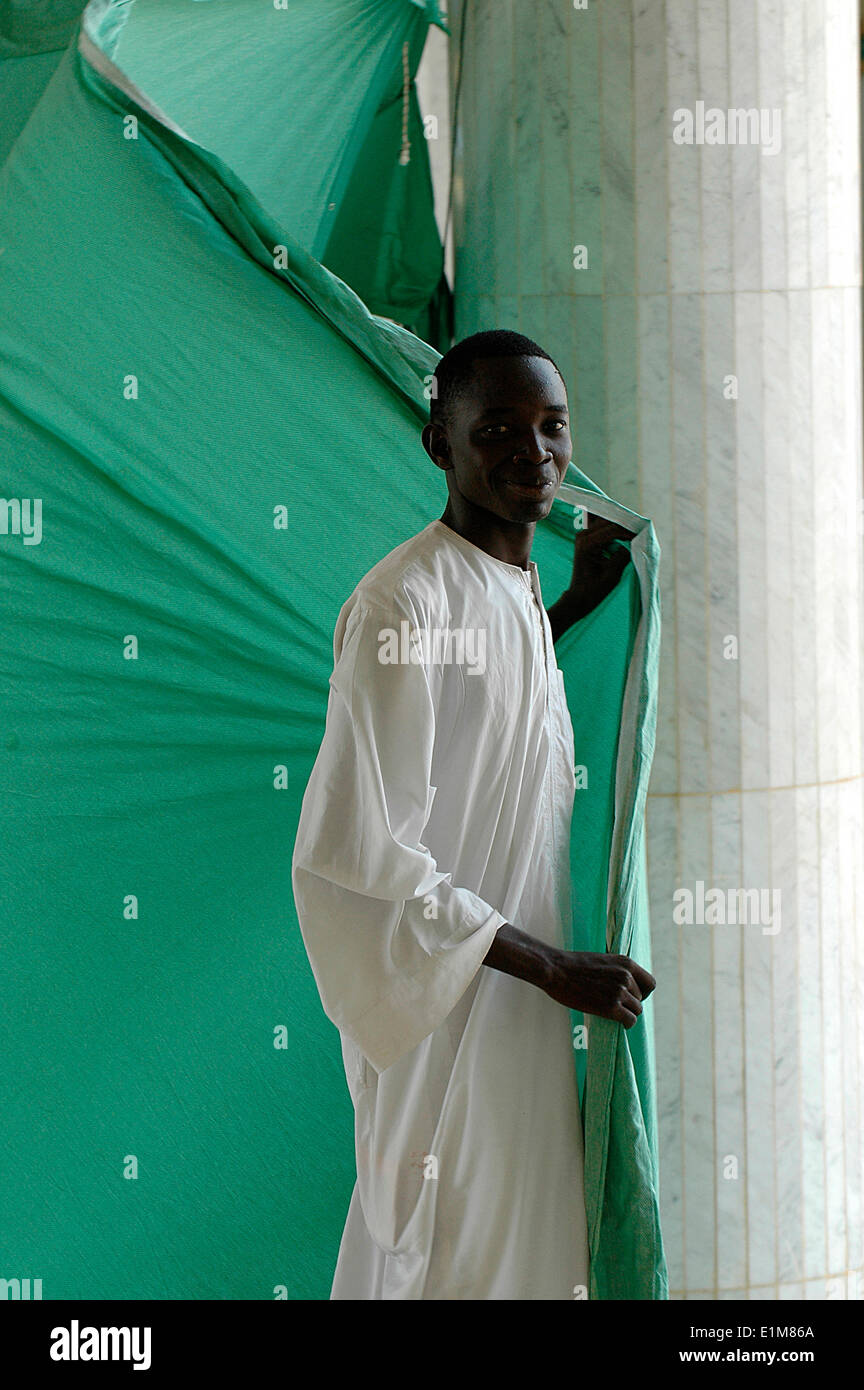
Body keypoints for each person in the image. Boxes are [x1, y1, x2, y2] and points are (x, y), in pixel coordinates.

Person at [291, 329, 656, 1300]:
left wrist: (571, 606)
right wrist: (551, 967)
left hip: (523, 1019)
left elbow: (490, 685)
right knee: (443, 1261)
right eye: (496, 429)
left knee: (523, 1261)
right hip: (448, 1019)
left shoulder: (515, 587)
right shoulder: (398, 606)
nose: (532, 452)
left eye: (551, 427)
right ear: (438, 446)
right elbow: (360, 853)